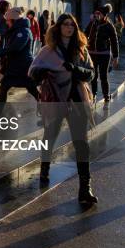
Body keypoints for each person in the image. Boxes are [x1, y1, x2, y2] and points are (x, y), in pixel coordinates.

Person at [29, 13, 97, 204]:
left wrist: (74, 69)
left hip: (77, 100)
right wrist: (41, 72)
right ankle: (44, 168)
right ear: (58, 27)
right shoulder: (48, 51)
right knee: (50, 135)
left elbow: (91, 74)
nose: (69, 28)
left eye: (72, 25)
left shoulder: (81, 50)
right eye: (65, 24)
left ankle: (85, 188)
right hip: (56, 100)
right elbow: (32, 72)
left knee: (81, 144)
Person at [0, 7, 39, 115]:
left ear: (13, 20)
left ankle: (47, 110)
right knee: (4, 87)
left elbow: (15, 48)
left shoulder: (23, 31)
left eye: (8, 20)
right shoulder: (16, 30)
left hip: (23, 66)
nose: (7, 23)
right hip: (15, 66)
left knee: (32, 89)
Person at [85, 4, 118, 104]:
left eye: (98, 13)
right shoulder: (92, 24)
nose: (96, 15)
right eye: (95, 13)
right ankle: (94, 94)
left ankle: (106, 95)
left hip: (104, 54)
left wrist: (115, 56)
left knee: (103, 76)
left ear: (104, 15)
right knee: (93, 75)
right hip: (92, 53)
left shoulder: (109, 26)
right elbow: (84, 34)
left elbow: (114, 41)